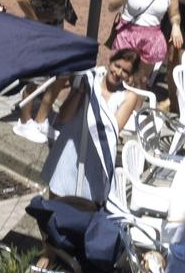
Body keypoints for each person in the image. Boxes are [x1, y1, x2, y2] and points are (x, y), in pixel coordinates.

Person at [32, 51, 147, 196]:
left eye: (125, 71)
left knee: (84, 204)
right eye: (117, 66)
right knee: (56, 195)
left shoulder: (129, 96)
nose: (118, 72)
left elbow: (113, 129)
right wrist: (80, 92)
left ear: (130, 75)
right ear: (109, 62)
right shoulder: (89, 80)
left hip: (96, 155)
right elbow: (64, 117)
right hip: (70, 145)